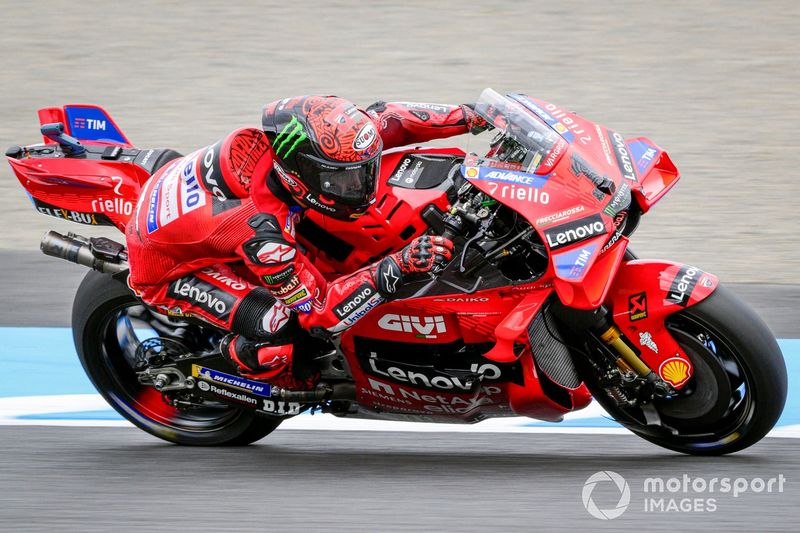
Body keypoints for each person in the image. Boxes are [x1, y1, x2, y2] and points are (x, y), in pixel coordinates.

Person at [125, 95, 488, 388]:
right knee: (282, 328)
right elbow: (319, 314)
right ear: (299, 174)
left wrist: (473, 115)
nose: (361, 185)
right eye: (343, 180)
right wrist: (398, 265)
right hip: (169, 269)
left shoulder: (324, 145)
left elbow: (392, 118)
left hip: (199, 214)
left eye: (364, 171)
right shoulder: (264, 236)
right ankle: (252, 371)